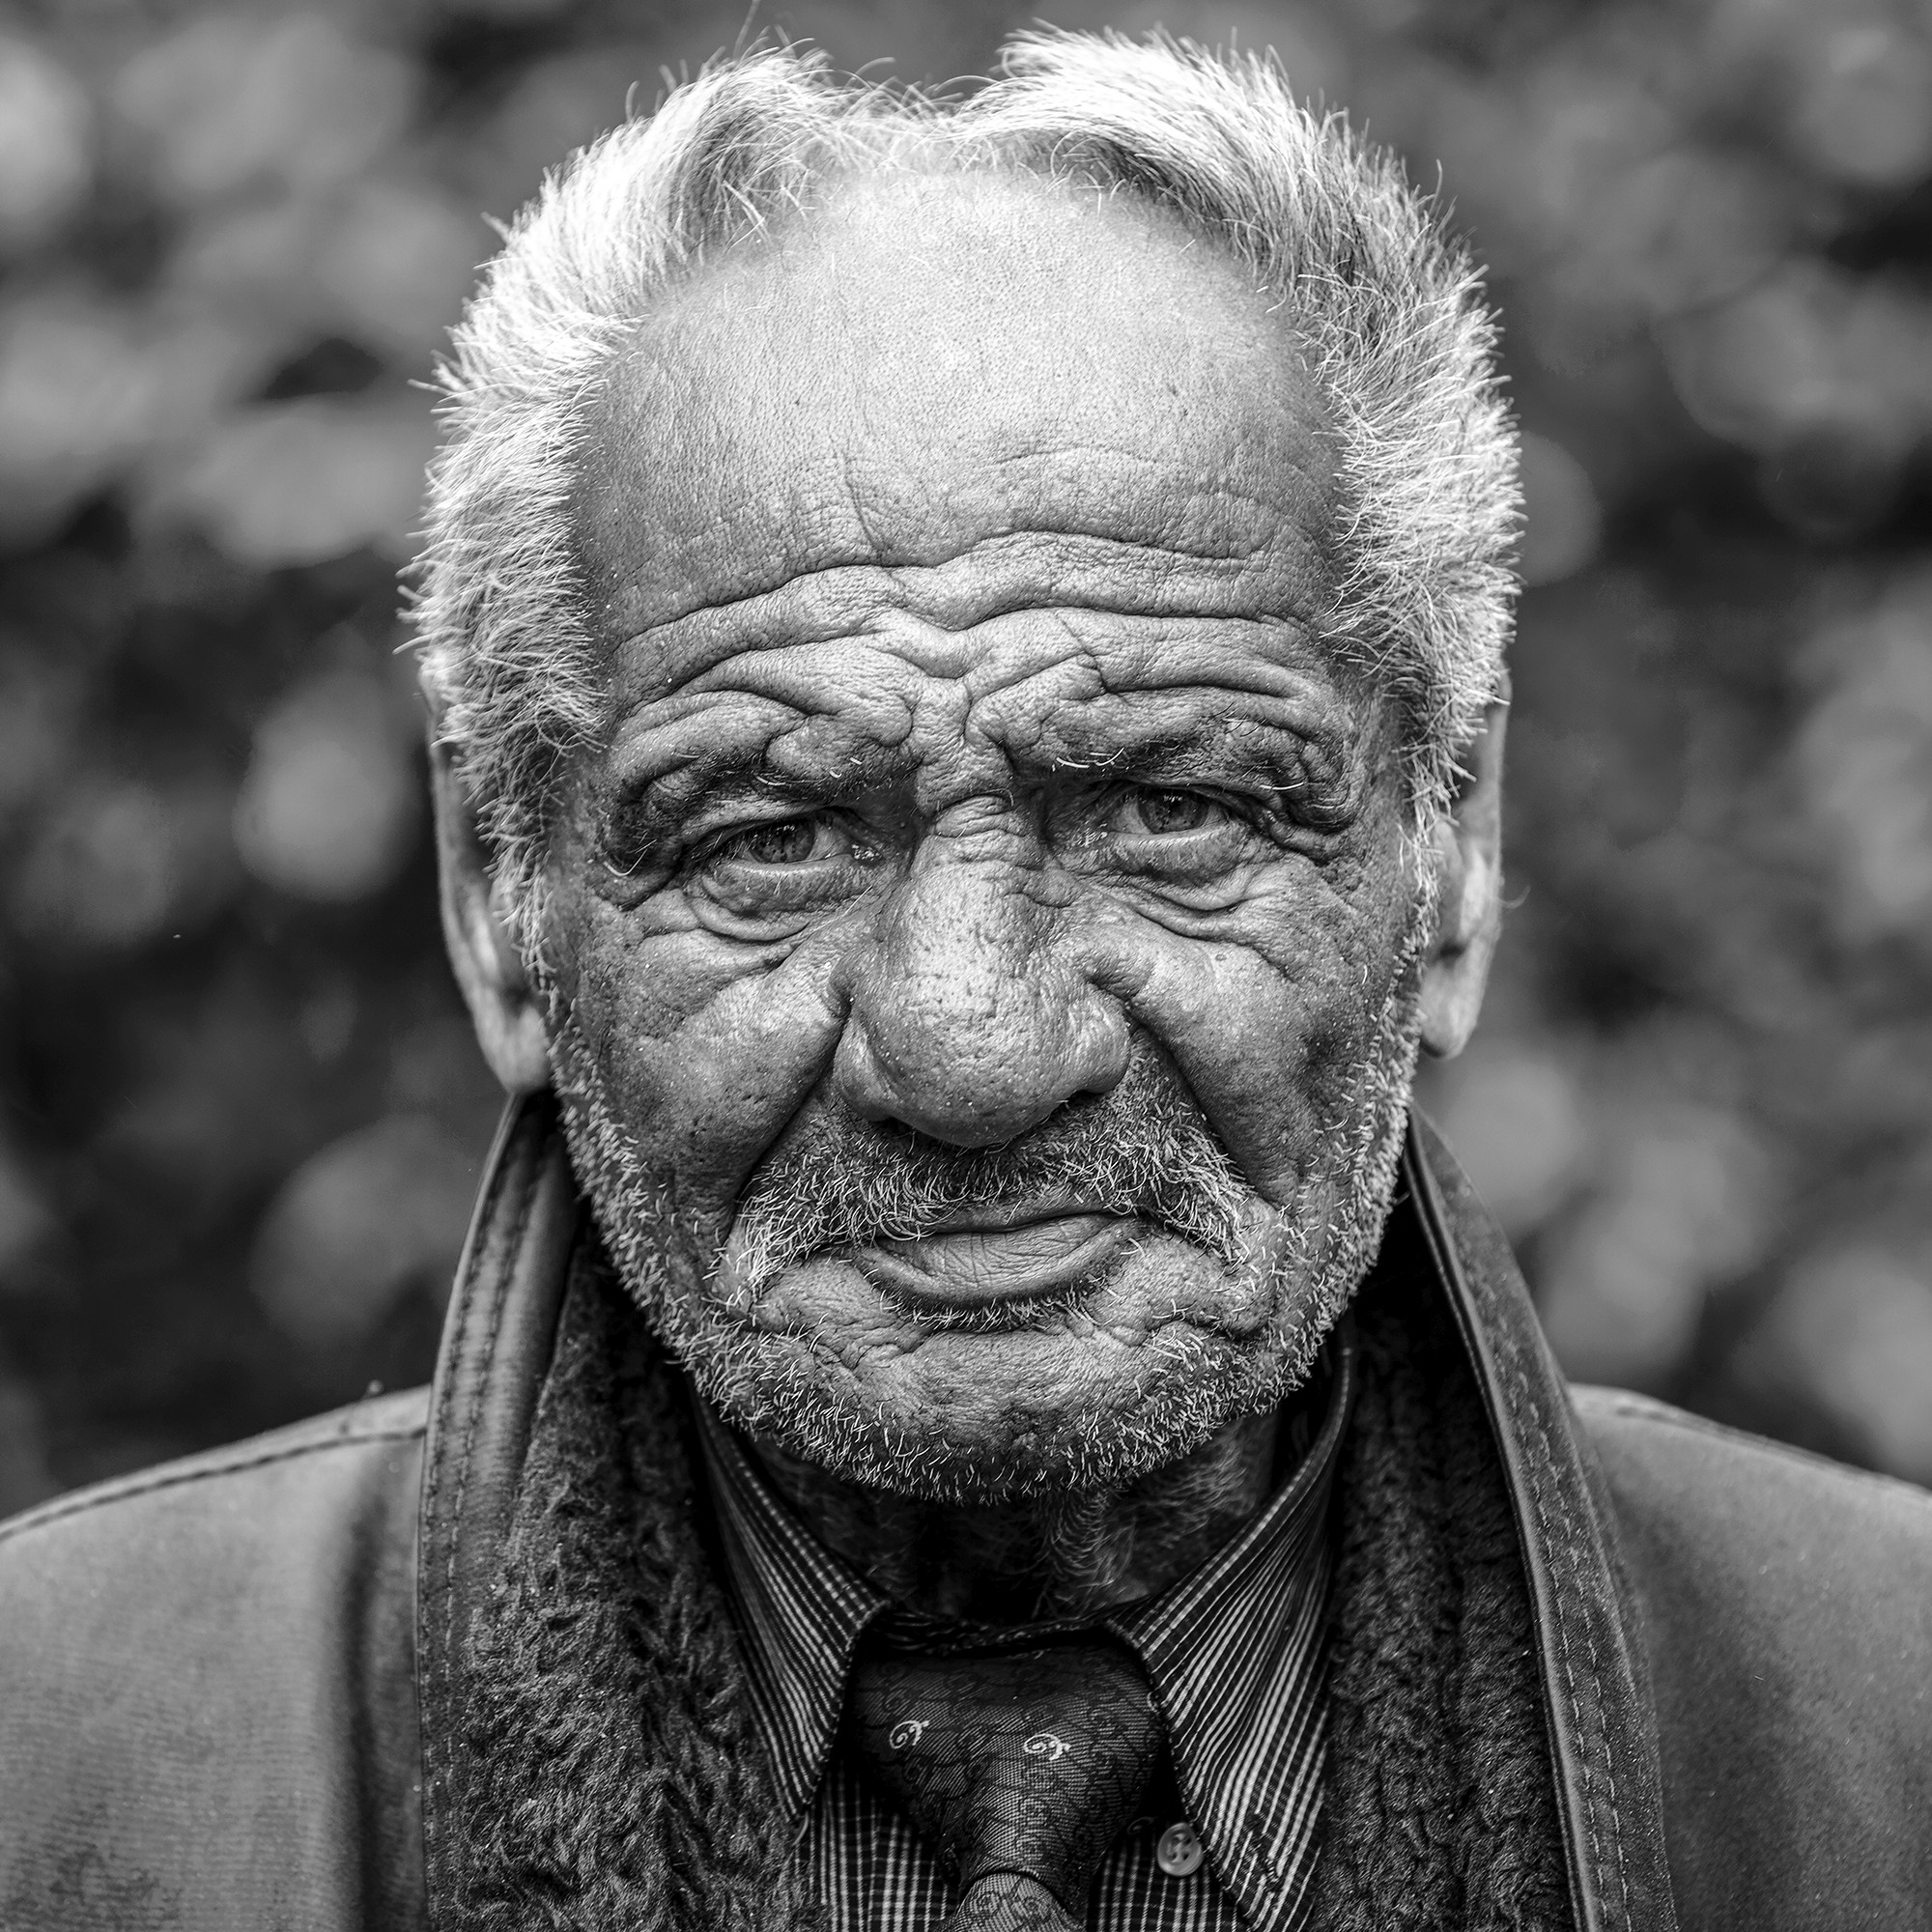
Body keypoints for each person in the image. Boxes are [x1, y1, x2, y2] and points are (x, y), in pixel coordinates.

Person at [3, 32, 1928, 1932]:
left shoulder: (1886, 1732)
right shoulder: (63, 1769)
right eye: (771, 836)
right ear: (498, 896)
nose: (971, 1045)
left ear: (1451, 852)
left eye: (1170, 808)